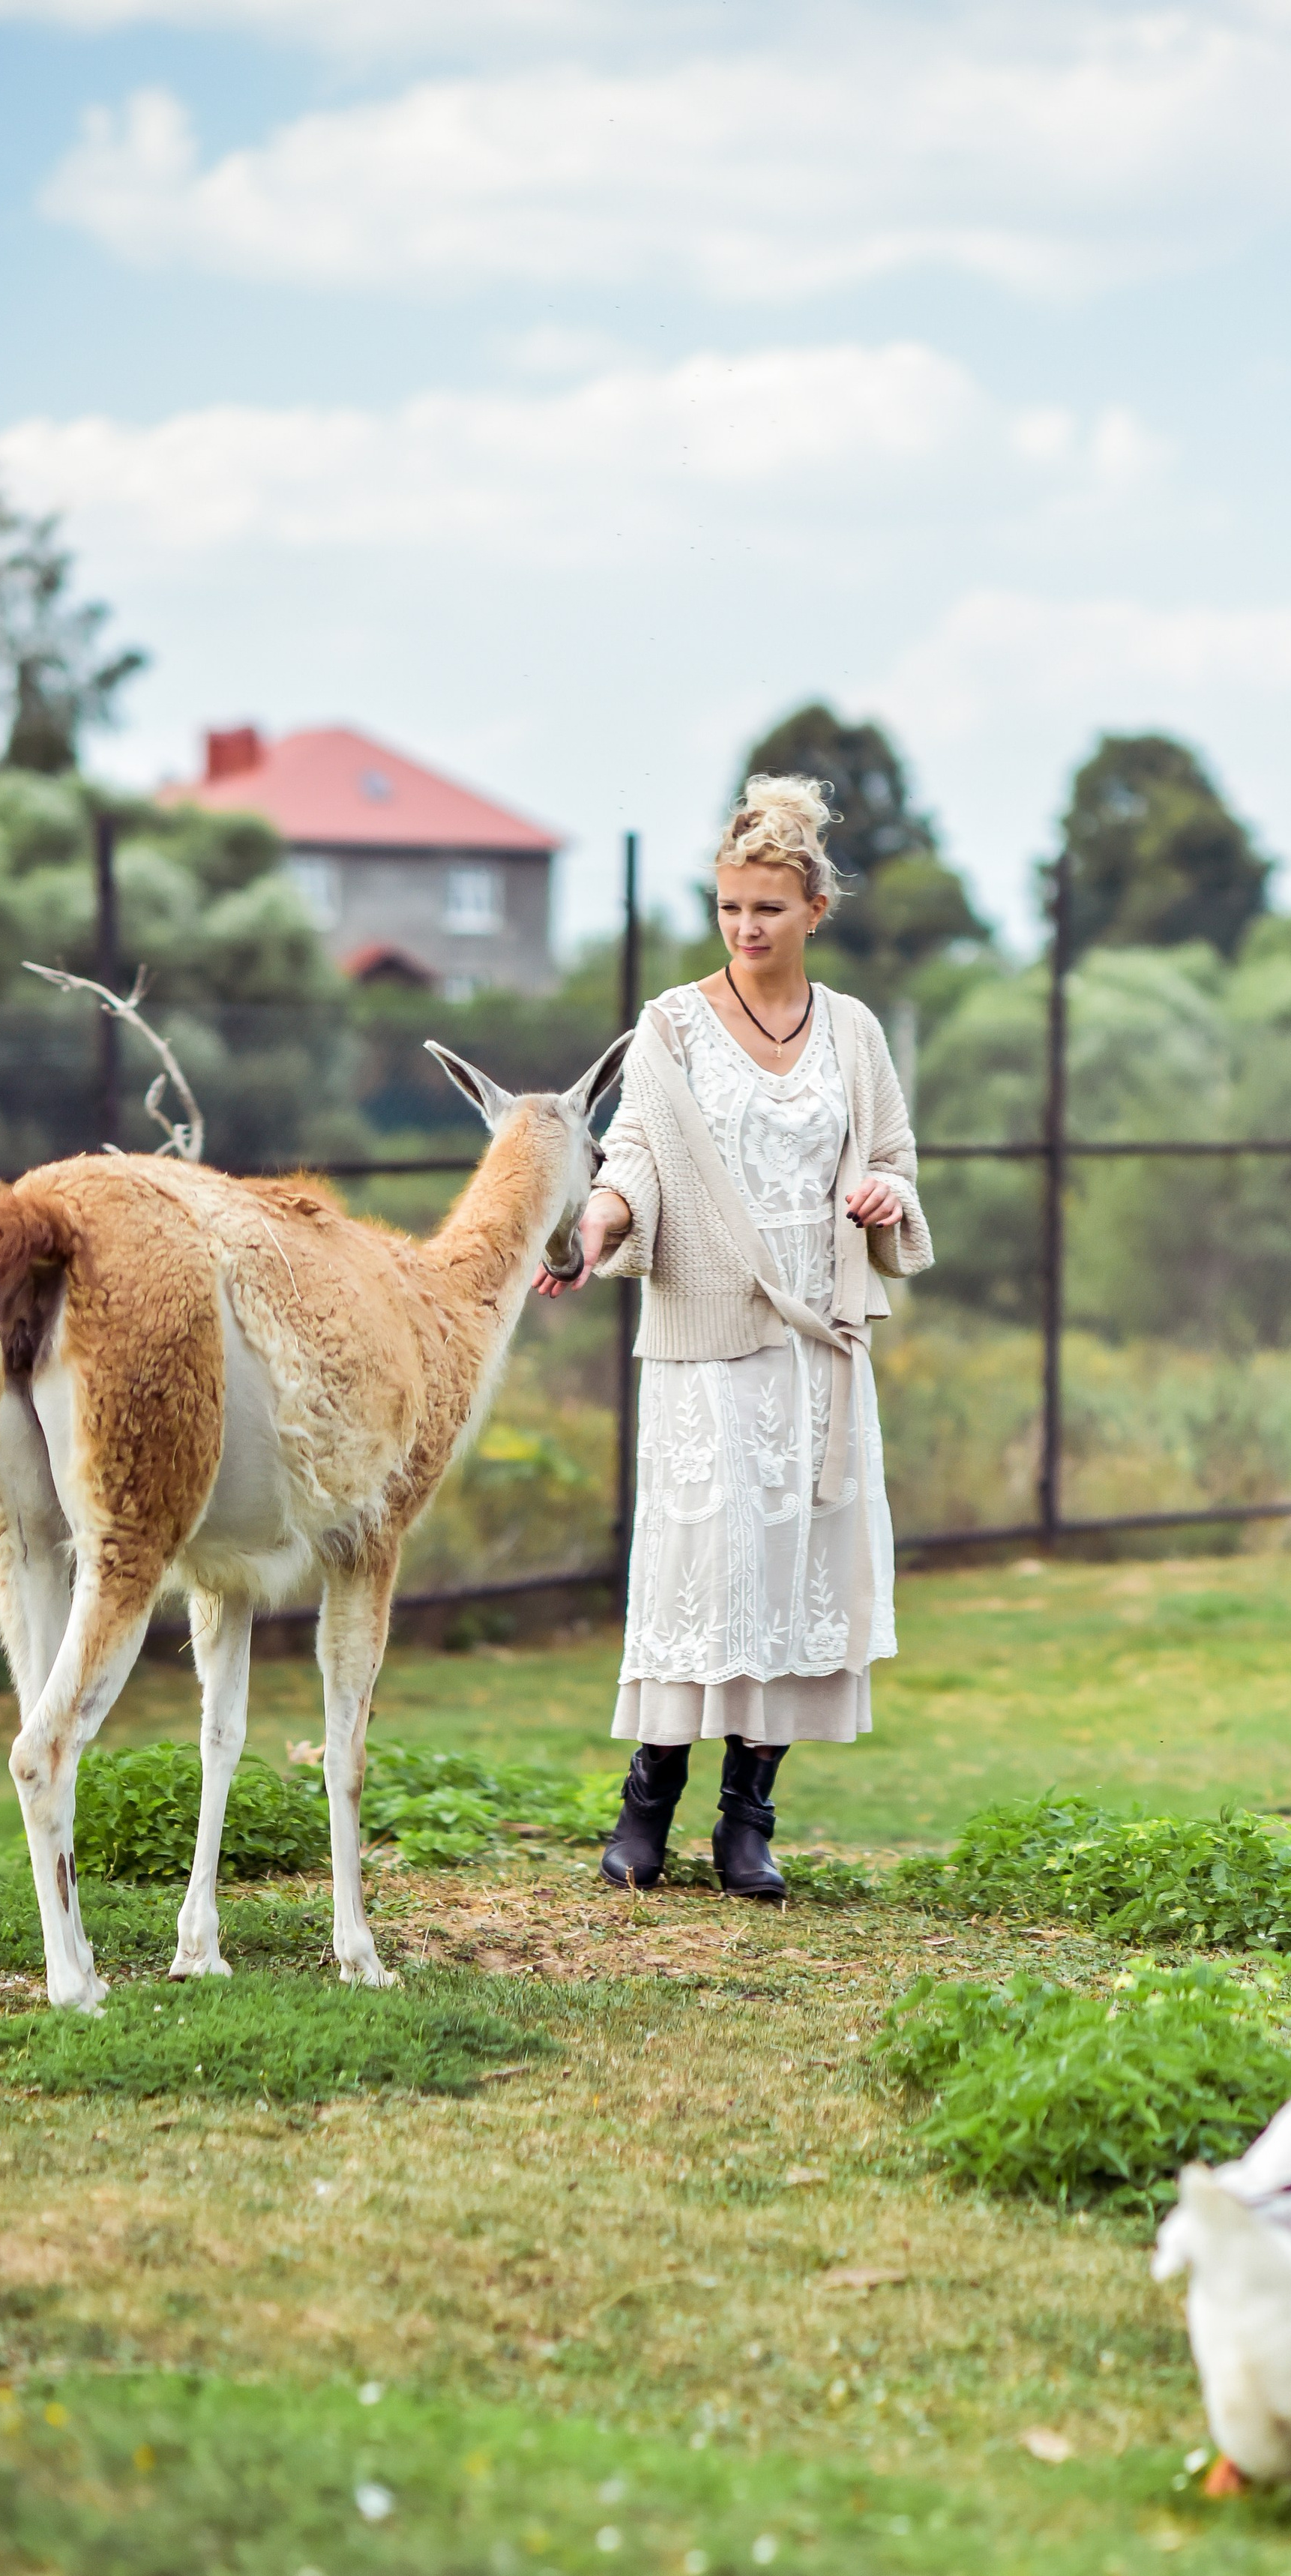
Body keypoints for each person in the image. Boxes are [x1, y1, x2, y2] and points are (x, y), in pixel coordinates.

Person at [533, 774, 932, 1899]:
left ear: (813, 906)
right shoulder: (669, 1027)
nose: (746, 929)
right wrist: (595, 1231)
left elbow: (893, 1158)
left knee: (797, 1570)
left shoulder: (851, 1032)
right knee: (703, 1568)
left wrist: (886, 1200)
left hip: (819, 1340)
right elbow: (635, 1161)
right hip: (709, 1340)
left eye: (767, 907)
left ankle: (748, 1820)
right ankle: (647, 1803)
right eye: (728, 908)